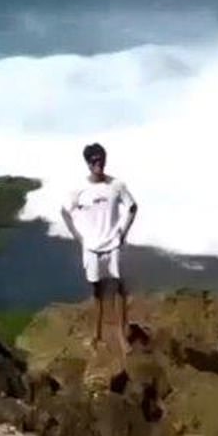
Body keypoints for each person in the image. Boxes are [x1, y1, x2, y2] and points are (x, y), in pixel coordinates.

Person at [61, 143, 138, 351]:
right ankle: (97, 334)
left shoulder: (116, 185)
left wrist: (123, 232)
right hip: (92, 247)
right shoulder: (79, 189)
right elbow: (65, 212)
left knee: (119, 289)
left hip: (112, 244)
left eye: (101, 159)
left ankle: (122, 335)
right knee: (97, 291)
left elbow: (132, 207)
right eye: (94, 161)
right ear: (87, 163)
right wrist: (78, 236)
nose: (99, 164)